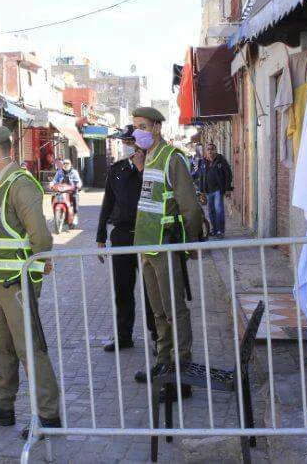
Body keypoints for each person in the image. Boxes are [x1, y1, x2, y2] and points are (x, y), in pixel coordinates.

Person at [0, 126, 61, 440]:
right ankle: (2, 405)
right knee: (0, 346)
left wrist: (40, 265)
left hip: (18, 282)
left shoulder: (21, 184)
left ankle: (48, 415)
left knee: (29, 348)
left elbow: (40, 236)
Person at [129, 107, 202, 403]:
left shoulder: (172, 158)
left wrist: (191, 245)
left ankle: (181, 374)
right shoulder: (148, 158)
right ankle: (163, 363)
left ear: (157, 127)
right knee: (158, 312)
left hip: (166, 246)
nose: (138, 132)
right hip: (146, 248)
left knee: (175, 311)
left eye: (143, 126)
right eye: (135, 126)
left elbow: (190, 208)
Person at [96, 126, 157, 353]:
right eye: (124, 142)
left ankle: (158, 337)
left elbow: (154, 194)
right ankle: (124, 336)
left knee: (151, 289)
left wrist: (142, 170)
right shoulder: (117, 169)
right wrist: (101, 236)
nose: (126, 147)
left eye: (130, 142)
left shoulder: (152, 167)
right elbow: (108, 202)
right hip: (122, 234)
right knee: (122, 289)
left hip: (147, 234)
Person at [199, 143, 233, 239]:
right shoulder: (203, 162)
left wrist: (227, 188)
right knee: (211, 211)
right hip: (208, 191)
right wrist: (201, 191)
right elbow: (201, 177)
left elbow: (228, 174)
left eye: (212, 149)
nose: (210, 151)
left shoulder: (220, 160)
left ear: (215, 150)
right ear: (206, 151)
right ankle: (214, 229)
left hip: (218, 190)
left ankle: (220, 231)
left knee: (219, 210)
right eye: (208, 149)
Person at [49, 159, 83, 228]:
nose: (66, 165)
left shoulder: (74, 172)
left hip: (71, 191)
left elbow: (78, 181)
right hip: (61, 190)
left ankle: (75, 215)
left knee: (75, 198)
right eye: (64, 163)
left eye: (67, 163)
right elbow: (55, 180)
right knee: (53, 196)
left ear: (70, 165)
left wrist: (78, 185)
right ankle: (56, 214)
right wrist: (51, 183)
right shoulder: (59, 172)